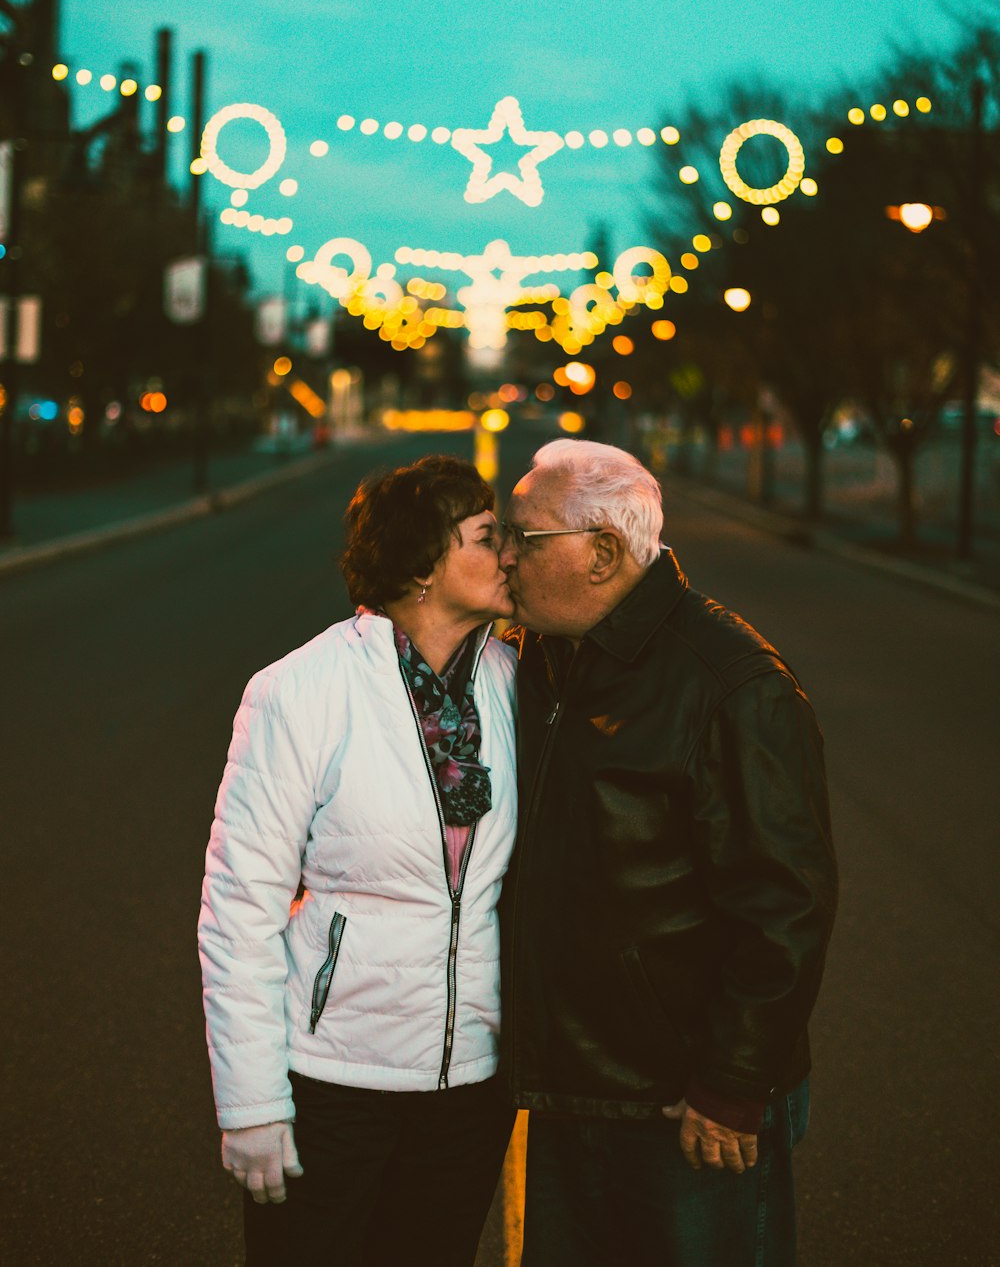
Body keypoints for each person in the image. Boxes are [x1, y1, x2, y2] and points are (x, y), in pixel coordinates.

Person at [497, 438, 838, 1267]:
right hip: (574, 1082)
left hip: (686, 1103)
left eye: (524, 539)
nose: (504, 558)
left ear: (604, 553)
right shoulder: (548, 655)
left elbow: (784, 905)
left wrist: (731, 1084)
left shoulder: (731, 684)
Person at [198, 455, 517, 1266]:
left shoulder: (516, 682)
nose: (510, 552)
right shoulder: (300, 691)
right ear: (421, 565)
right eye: (486, 536)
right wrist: (251, 1102)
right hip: (333, 1082)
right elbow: (239, 908)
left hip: (468, 1089)